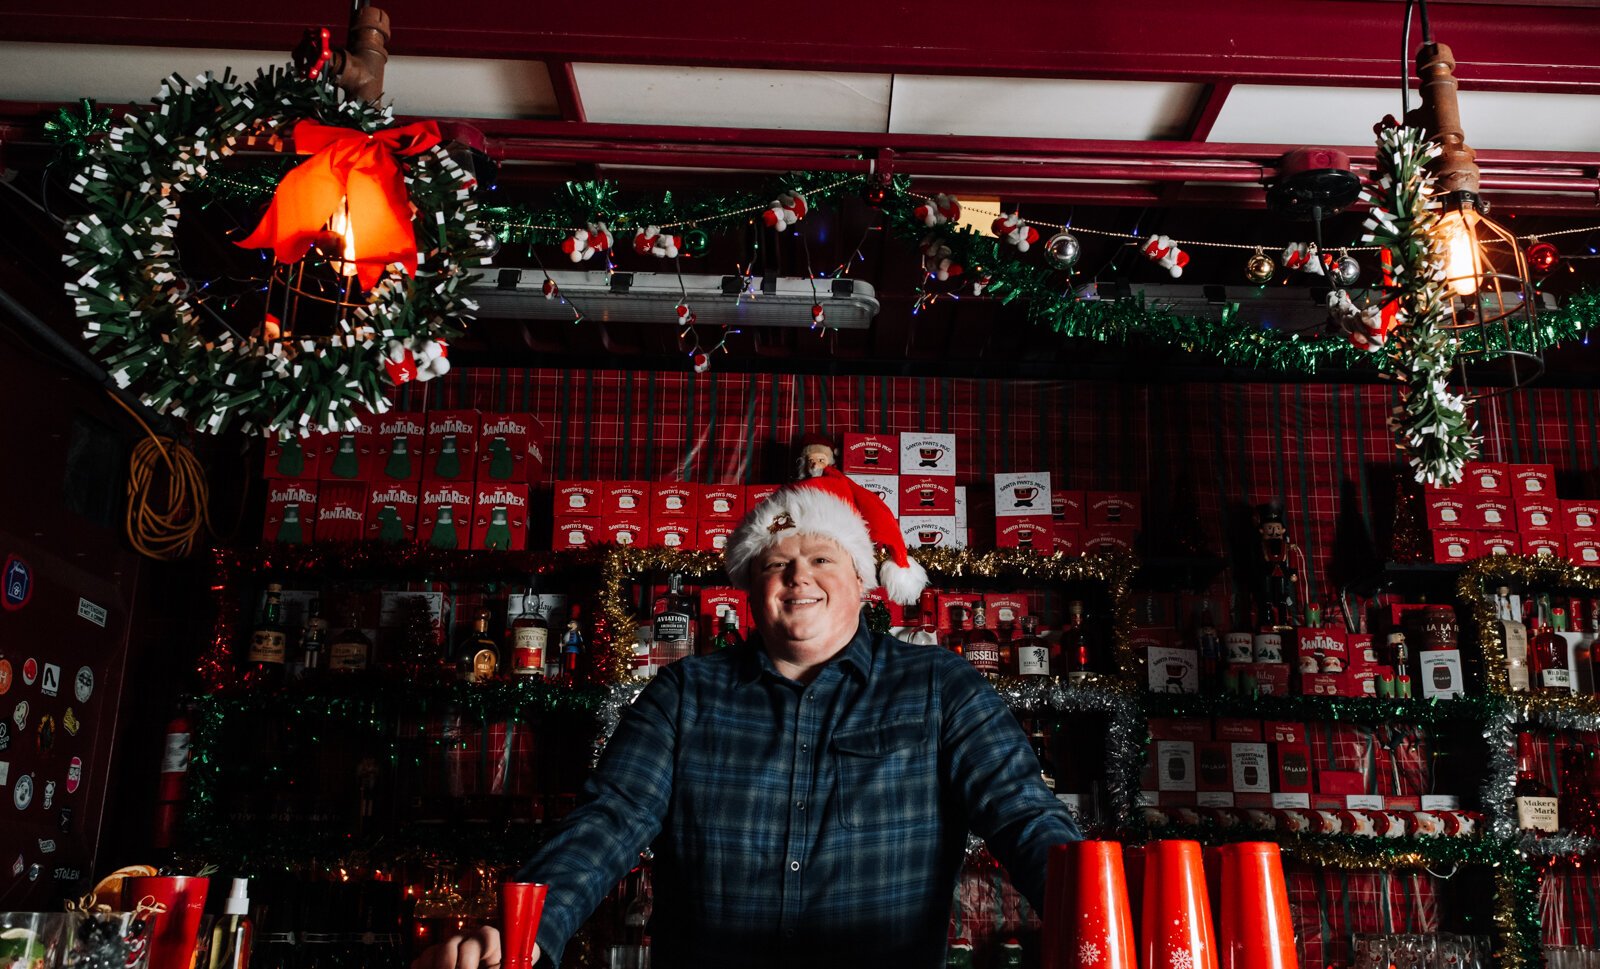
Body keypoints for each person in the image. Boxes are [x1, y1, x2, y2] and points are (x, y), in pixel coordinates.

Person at [415, 465, 1081, 969]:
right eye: (777, 563)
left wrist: (1095, 910)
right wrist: (526, 928)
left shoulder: (942, 687)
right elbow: (609, 819)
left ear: (863, 582)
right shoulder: (684, 694)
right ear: (750, 588)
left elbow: (1022, 813)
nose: (799, 576)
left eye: (823, 558)